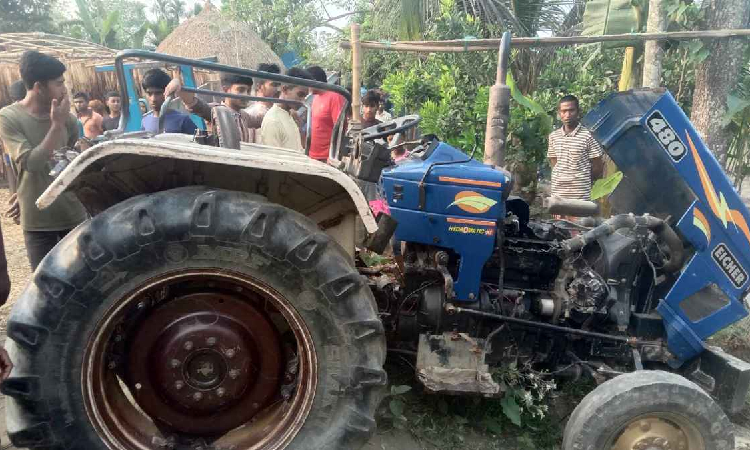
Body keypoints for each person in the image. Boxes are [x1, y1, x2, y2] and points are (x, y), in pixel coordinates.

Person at [0, 51, 87, 270]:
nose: (64, 89)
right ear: (39, 87)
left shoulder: (69, 118)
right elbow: (31, 163)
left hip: (73, 216)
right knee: (46, 288)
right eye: (58, 84)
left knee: (83, 281)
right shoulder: (9, 118)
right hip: (38, 222)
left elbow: (73, 160)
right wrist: (56, 125)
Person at [165, 73, 259, 143]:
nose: (246, 95)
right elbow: (195, 105)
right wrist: (179, 86)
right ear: (226, 90)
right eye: (241, 90)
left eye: (249, 91)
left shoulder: (244, 115)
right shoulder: (217, 111)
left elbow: (260, 118)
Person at [547, 94, 604, 201]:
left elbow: (597, 166)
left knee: (582, 218)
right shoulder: (553, 137)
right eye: (564, 111)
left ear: (578, 112)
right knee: (558, 219)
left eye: (571, 110)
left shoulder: (588, 136)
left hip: (581, 195)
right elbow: (554, 163)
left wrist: (583, 179)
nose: (567, 115)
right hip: (558, 195)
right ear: (559, 113)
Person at [259, 67, 312, 151]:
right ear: (285, 89)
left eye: (305, 97)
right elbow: (273, 160)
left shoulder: (290, 116)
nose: (303, 101)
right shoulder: (273, 121)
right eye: (300, 95)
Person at [140, 69, 197, 135]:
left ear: (168, 93)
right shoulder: (145, 121)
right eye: (149, 94)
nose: (153, 99)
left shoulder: (182, 120)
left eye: (158, 93)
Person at [308, 66, 346, 162]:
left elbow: (341, 128)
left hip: (326, 157)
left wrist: (332, 156)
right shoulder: (315, 98)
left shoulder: (334, 97)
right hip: (313, 155)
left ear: (315, 81)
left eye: (308, 82)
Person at [246, 63, 282, 143]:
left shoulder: (277, 111)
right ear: (259, 86)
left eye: (278, 85)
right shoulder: (253, 114)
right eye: (274, 85)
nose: (277, 89)